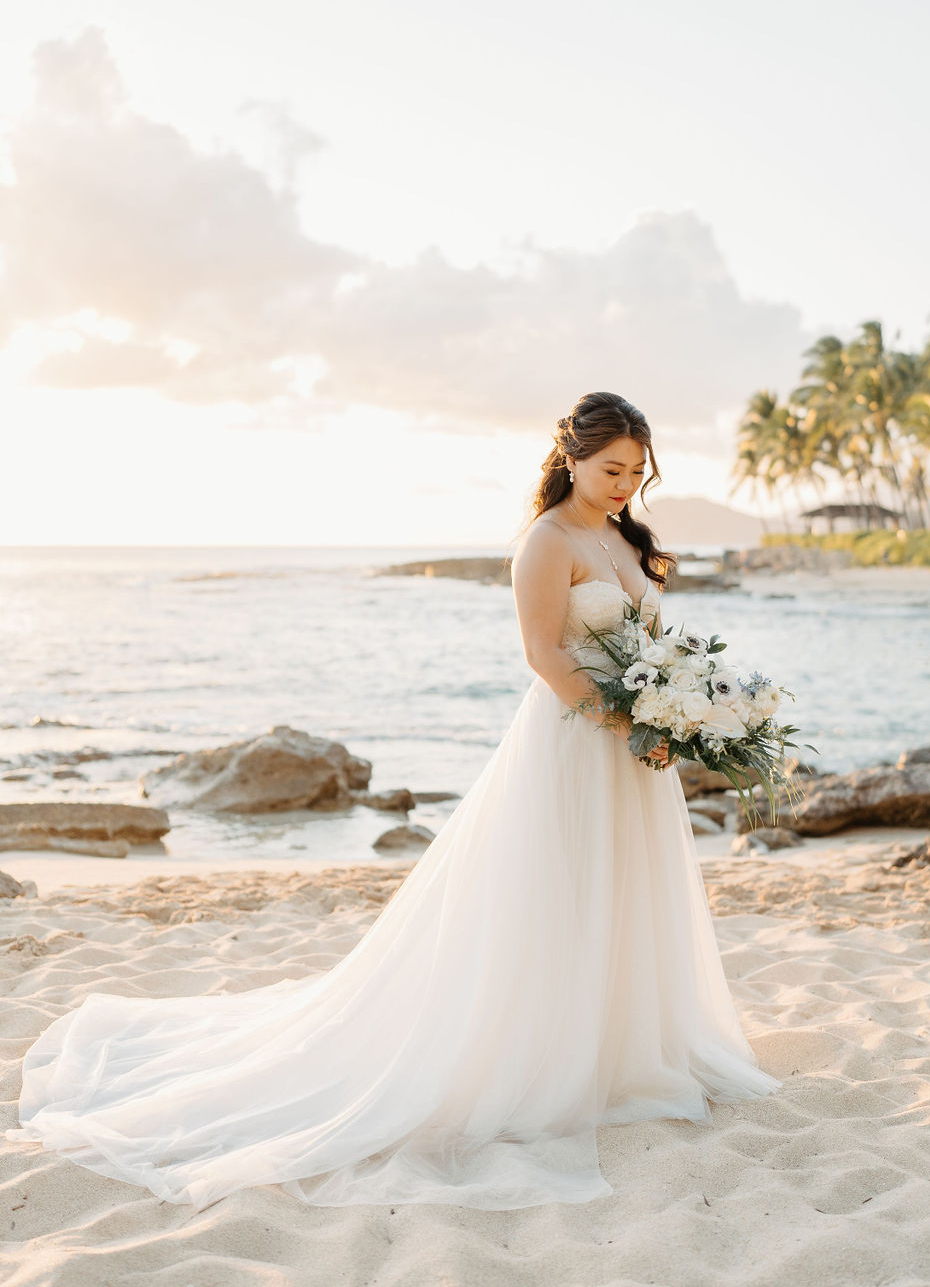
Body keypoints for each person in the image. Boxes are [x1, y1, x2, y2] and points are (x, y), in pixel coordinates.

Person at [3, 390, 780, 1211]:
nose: (624, 483)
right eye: (610, 468)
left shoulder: (625, 538)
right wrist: (622, 718)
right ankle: (549, 1054)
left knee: (624, 891)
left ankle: (625, 1046)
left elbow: (653, 649)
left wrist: (679, 709)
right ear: (571, 459)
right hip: (573, 742)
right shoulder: (546, 542)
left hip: (632, 750)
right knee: (556, 892)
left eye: (636, 471)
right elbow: (544, 654)